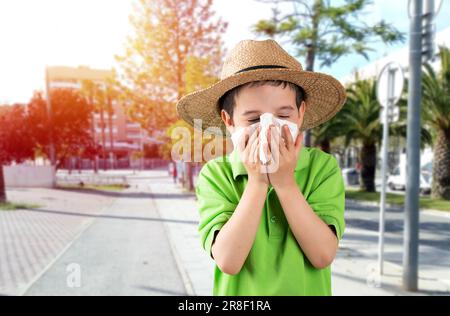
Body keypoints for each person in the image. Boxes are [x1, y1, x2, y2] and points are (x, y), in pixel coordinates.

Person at [176, 39, 347, 296]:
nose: (269, 126)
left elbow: (323, 255)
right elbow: (228, 261)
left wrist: (285, 184)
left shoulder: (322, 168)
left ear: (300, 113)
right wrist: (257, 182)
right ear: (229, 121)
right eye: (254, 118)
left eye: (283, 115)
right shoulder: (216, 175)